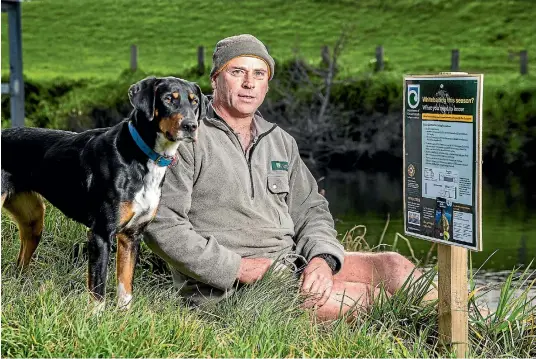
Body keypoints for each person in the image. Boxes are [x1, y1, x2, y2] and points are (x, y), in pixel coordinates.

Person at [144, 34, 437, 320]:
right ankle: (449, 340)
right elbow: (162, 224)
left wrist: (322, 259)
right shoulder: (184, 138)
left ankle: (471, 333)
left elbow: (311, 210)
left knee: (395, 268)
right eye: (237, 72)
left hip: (290, 263)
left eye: (259, 74)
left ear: (267, 86)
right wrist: (237, 268)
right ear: (215, 79)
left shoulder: (280, 141)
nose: (249, 83)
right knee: (372, 298)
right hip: (228, 290)